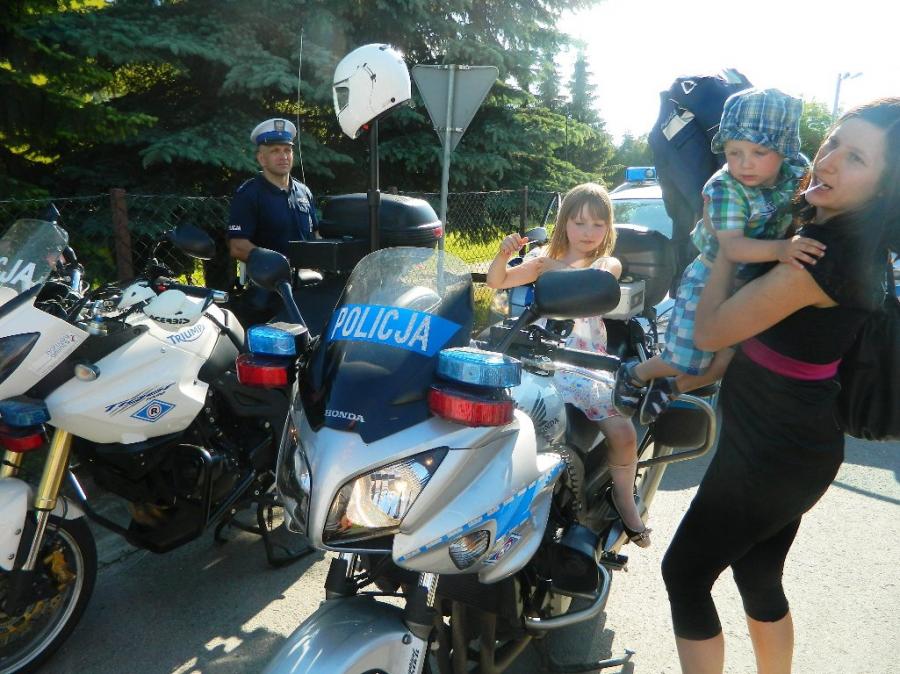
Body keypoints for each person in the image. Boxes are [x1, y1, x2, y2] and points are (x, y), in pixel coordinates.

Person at [660, 97, 900, 674]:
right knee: (758, 573)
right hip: (792, 442)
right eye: (833, 142)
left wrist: (723, 248)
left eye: (857, 158)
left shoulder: (821, 258)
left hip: (773, 450)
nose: (829, 160)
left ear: (885, 189)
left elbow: (713, 328)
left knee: (685, 572)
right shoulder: (824, 231)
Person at [613, 88, 823, 424]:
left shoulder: (798, 172)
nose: (745, 163)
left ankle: (670, 387)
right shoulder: (725, 187)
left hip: (754, 280)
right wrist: (784, 248)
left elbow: (813, 200)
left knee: (724, 364)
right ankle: (635, 373)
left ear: (784, 150)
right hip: (709, 277)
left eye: (759, 151)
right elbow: (733, 248)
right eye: (734, 152)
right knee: (685, 359)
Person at [487, 183, 650, 547]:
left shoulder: (605, 263)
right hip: (538, 359)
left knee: (624, 433)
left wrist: (550, 268)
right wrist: (503, 254)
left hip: (583, 365)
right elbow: (498, 280)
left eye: (598, 224)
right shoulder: (543, 258)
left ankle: (624, 499)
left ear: (608, 228)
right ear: (564, 223)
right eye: (579, 223)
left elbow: (597, 281)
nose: (588, 232)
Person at [227, 118, 318, 322]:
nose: (283, 156)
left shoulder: (304, 192)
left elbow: (316, 235)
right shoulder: (249, 194)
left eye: (287, 150)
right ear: (262, 158)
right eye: (275, 151)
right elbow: (238, 246)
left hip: (308, 289)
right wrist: (277, 266)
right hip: (268, 292)